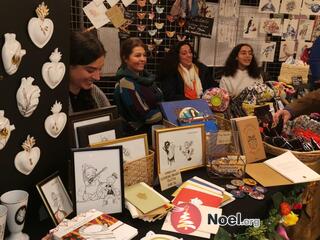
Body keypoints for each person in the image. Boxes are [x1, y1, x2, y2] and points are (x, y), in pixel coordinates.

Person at [114, 37, 163, 130]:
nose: (143, 59)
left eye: (144, 55)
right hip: (139, 136)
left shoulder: (147, 79)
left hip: (155, 131)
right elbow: (146, 116)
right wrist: (167, 111)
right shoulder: (125, 83)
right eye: (137, 56)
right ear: (125, 58)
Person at [69, 31, 111, 113]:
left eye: (100, 69)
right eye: (90, 70)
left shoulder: (95, 92)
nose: (97, 77)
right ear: (70, 66)